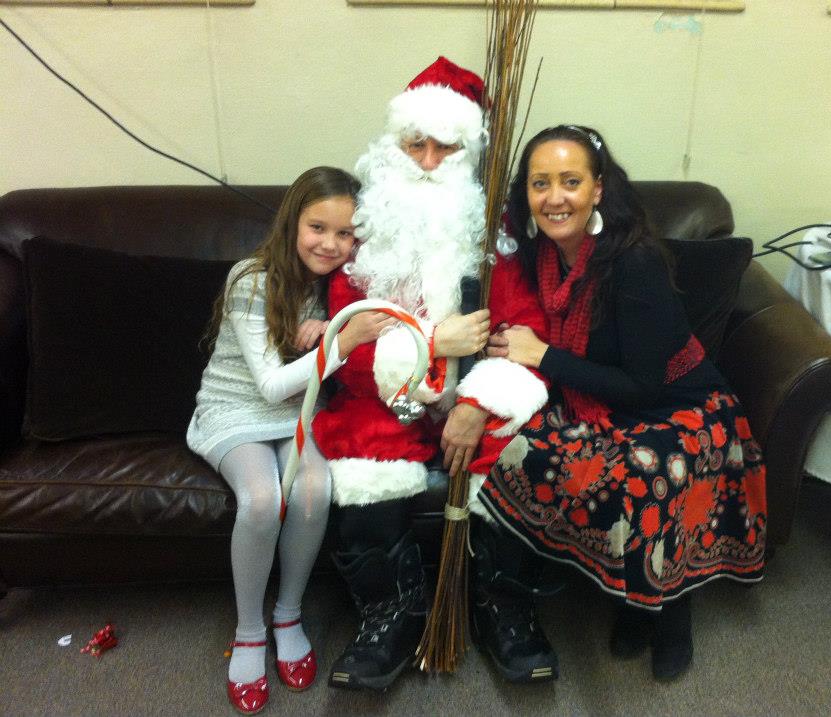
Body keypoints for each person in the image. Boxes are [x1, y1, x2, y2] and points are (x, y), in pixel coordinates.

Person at [481, 124, 768, 681]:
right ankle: (631, 597)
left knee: (644, 470)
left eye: (570, 181)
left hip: (680, 404)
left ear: (598, 188)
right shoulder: (541, 252)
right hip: (595, 394)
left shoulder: (634, 261)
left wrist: (543, 355)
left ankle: (670, 609)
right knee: (521, 449)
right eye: (540, 183)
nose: (555, 197)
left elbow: (643, 387)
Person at [311, 57, 555, 690]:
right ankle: (391, 613)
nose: (426, 161)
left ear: (468, 154)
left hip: (475, 394)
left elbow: (528, 335)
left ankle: (501, 606)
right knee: (363, 455)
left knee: (517, 451)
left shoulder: (494, 240)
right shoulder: (364, 238)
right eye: (413, 144)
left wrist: (473, 404)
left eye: (444, 147)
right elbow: (348, 350)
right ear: (391, 147)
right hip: (385, 397)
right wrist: (430, 345)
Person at [186, 166, 392, 714]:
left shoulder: (341, 284)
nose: (330, 244)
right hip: (236, 409)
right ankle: (249, 631)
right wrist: (341, 340)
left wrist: (329, 330)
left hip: (301, 412)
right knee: (261, 499)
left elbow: (321, 372)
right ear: (292, 223)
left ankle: (288, 613)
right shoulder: (251, 279)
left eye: (345, 234)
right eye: (317, 228)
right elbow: (272, 385)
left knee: (312, 491)